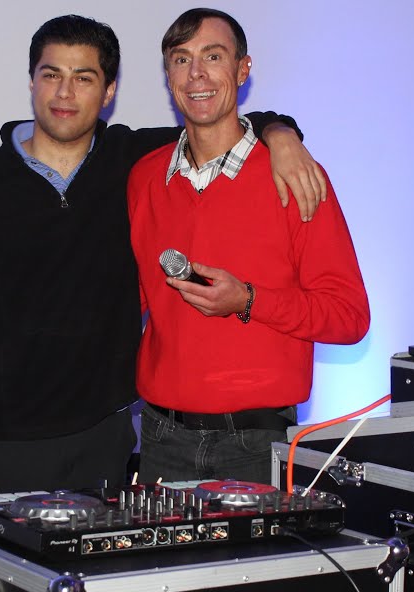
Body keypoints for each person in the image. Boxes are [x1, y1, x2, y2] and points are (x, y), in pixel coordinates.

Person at [0, 14, 327, 497]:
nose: (64, 93)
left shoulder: (134, 162)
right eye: (52, 74)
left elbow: (217, 121)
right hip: (6, 441)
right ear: (31, 81)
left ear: (109, 90)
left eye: (83, 78)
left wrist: (280, 133)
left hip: (107, 437)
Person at [127, 8, 370, 486]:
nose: (196, 74)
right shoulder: (144, 177)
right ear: (168, 75)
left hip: (257, 445)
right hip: (158, 438)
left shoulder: (295, 177)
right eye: (181, 59)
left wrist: (250, 301)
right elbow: (126, 297)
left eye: (212, 56)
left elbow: (349, 317)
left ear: (242, 70)